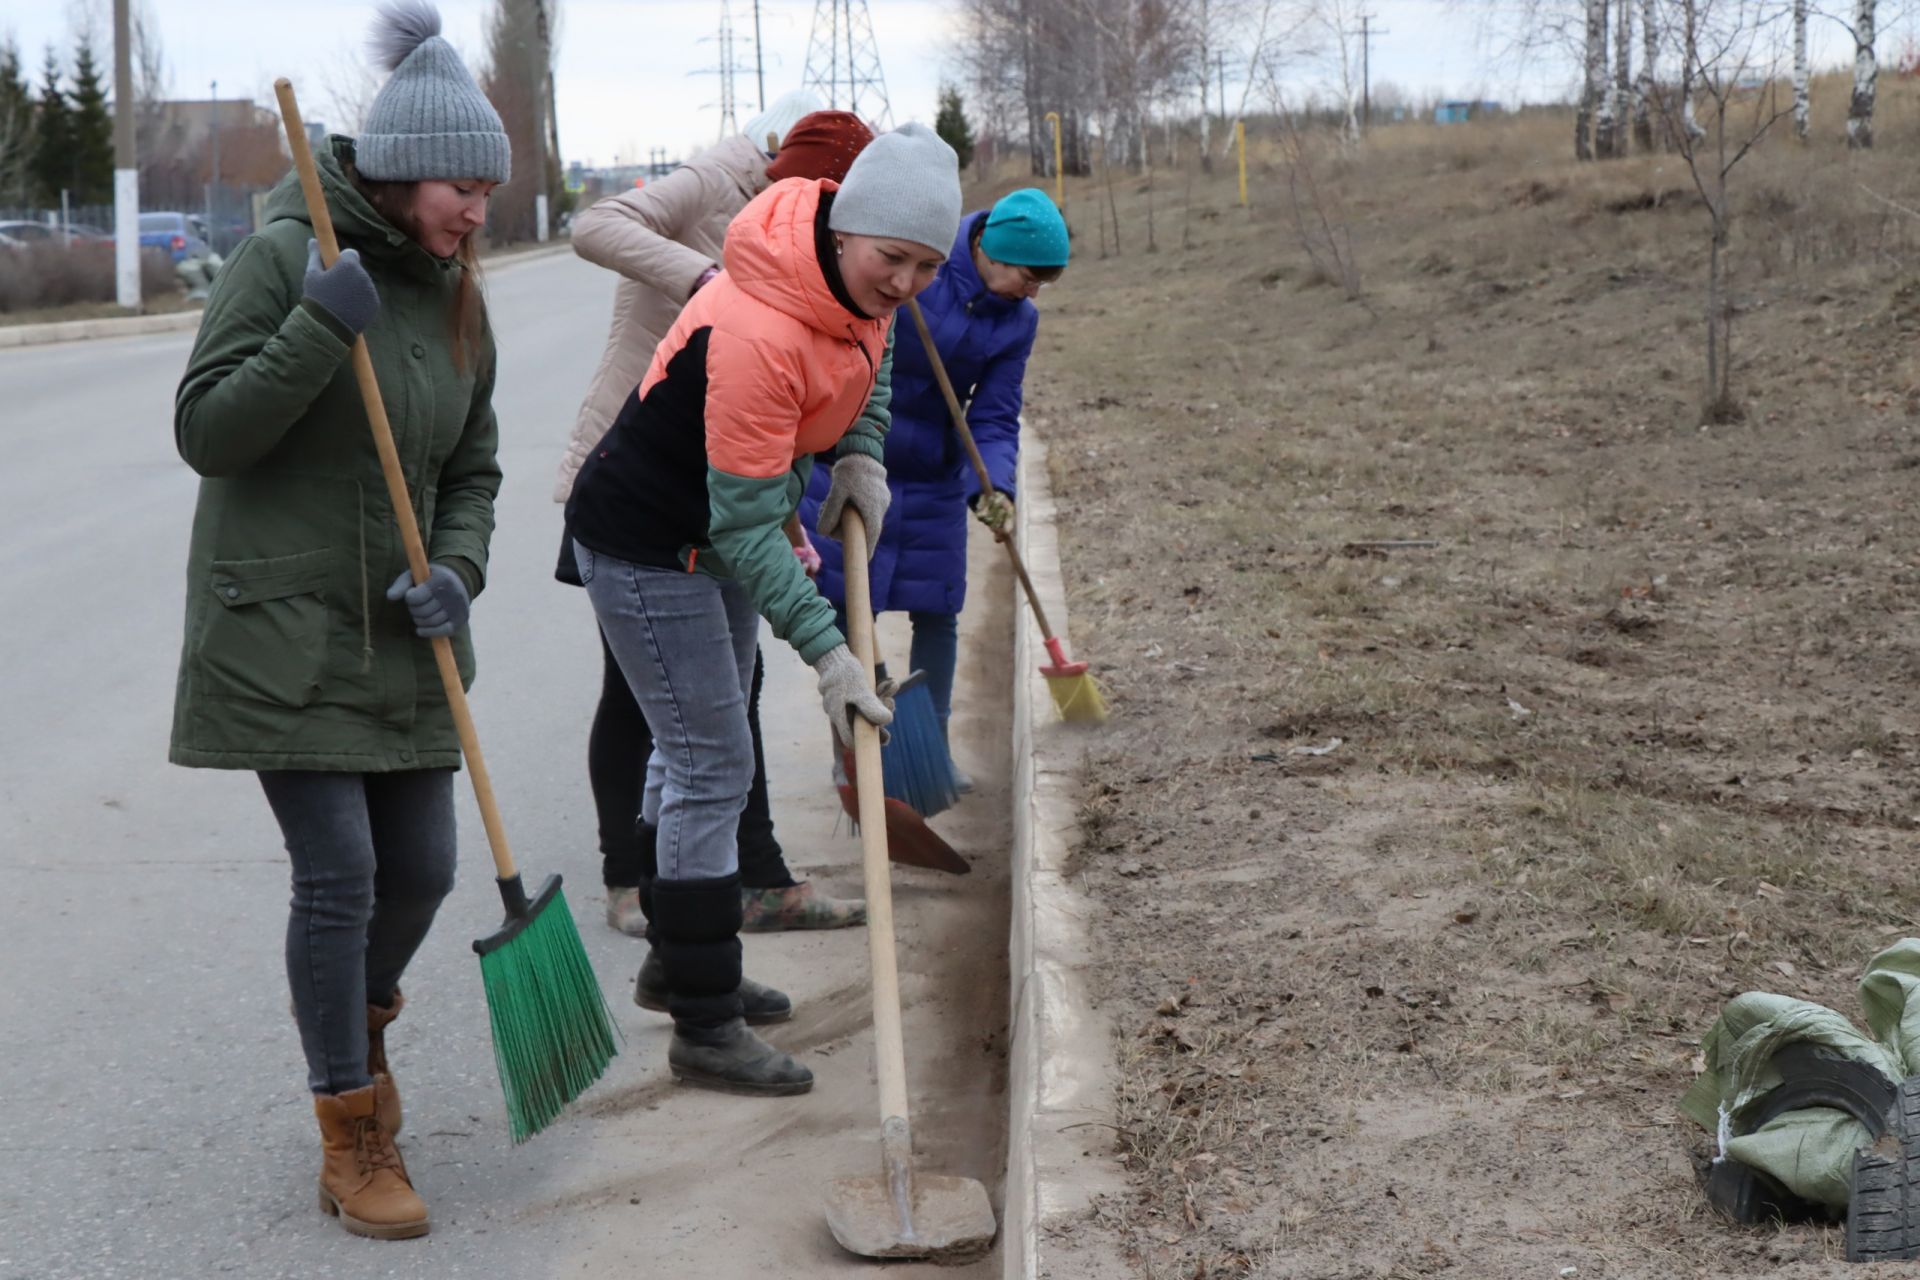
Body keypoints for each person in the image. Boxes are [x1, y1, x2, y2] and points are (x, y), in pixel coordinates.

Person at [167, 0, 506, 1241]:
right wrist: (319, 324)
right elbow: (207, 431)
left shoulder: (460, 291)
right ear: (402, 169)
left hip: (406, 634)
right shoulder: (286, 259)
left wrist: (459, 571)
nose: (478, 212)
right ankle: (351, 1124)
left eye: (484, 190)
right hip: (287, 632)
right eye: (462, 188)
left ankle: (353, 1019)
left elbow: (473, 466)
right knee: (344, 872)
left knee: (423, 868)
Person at [565, 123, 962, 1095]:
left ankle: (679, 959)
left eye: (924, 265)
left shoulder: (852, 289)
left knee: (693, 750)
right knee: (710, 762)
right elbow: (746, 532)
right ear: (845, 228)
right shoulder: (759, 324)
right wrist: (830, 657)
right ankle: (704, 1019)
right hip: (652, 543)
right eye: (893, 257)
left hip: (713, 528)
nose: (904, 283)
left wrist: (859, 452)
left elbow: (874, 363)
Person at [557, 107, 875, 939]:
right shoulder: (717, 180)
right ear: (797, 181)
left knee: (721, 710)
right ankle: (634, 879)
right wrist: (704, 278)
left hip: (725, 480)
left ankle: (734, 881)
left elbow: (832, 377)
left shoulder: (837, 263)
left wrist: (847, 462)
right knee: (655, 706)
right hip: (641, 471)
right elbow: (597, 223)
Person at [800, 187, 1070, 789]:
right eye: (1028, 278)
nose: (1032, 294)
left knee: (939, 608)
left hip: (932, 477)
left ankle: (930, 758)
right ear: (988, 251)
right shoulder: (922, 267)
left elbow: (996, 416)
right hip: (850, 457)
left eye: (1041, 285)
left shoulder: (1017, 320)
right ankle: (861, 755)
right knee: (847, 607)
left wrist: (993, 486)